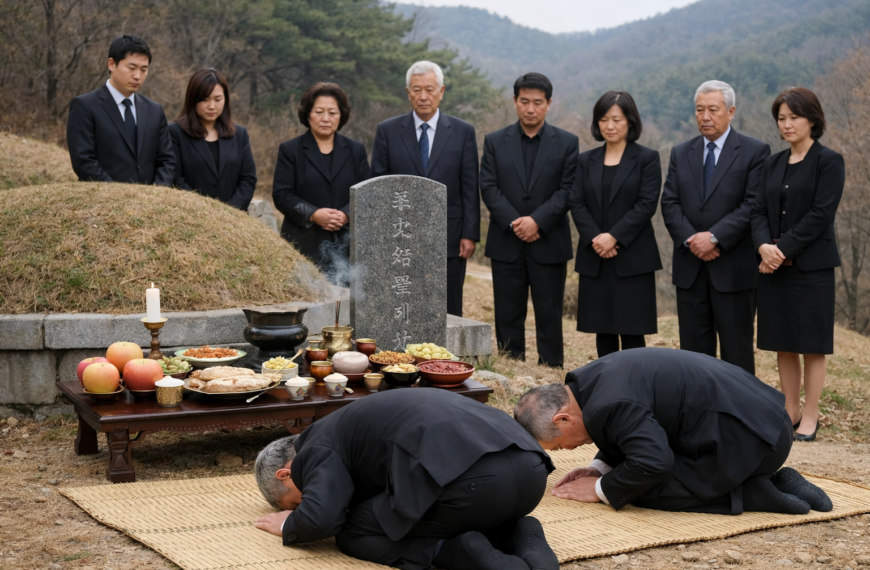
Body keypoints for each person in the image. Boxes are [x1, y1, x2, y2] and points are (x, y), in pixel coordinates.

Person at [253, 388, 558, 570]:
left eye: (298, 501)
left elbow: (322, 518)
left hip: (474, 486)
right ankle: (519, 531)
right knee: (398, 507)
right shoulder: (352, 420)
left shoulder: (316, 446)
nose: (305, 503)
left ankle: (453, 551)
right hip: (532, 471)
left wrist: (291, 524)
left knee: (350, 532)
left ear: (286, 473)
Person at [514, 348, 834, 516]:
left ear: (562, 420)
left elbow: (654, 463)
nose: (566, 452)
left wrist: (601, 489)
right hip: (759, 420)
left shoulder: (608, 405)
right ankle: (755, 480)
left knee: (640, 485)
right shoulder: (587, 383)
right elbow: (627, 431)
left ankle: (753, 493)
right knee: (628, 473)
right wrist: (599, 467)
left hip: (758, 439)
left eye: (557, 446)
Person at [751, 88, 845, 442]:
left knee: (812, 343)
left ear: (813, 120)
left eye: (794, 117)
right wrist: (763, 246)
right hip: (773, 268)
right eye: (781, 118)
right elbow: (758, 209)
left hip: (811, 268)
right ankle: (789, 409)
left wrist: (782, 249)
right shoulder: (771, 163)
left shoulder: (829, 161)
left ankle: (810, 414)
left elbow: (821, 214)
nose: (787, 124)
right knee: (783, 341)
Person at [660, 80, 771, 374]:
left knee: (737, 351)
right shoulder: (681, 152)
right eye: (699, 110)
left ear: (730, 111)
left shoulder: (754, 151)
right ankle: (698, 415)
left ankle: (740, 414)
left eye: (713, 109)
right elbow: (669, 203)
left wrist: (715, 238)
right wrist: (692, 240)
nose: (705, 116)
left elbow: (753, 204)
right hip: (690, 268)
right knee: (693, 354)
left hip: (734, 268)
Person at [480, 73, 578, 368]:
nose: (530, 109)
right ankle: (511, 364)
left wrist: (537, 221)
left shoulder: (566, 142)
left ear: (549, 103)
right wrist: (514, 222)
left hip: (549, 240)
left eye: (538, 102)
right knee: (507, 310)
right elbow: (489, 187)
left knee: (549, 311)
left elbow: (569, 189)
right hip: (506, 240)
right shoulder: (496, 141)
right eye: (524, 102)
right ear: (514, 102)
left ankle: (551, 367)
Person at [371, 61, 480, 317]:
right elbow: (379, 184)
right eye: (417, 89)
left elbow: (469, 185)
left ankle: (445, 356)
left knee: (448, 304)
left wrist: (469, 233)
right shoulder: (387, 131)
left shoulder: (463, 131)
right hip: (401, 235)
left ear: (441, 91)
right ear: (408, 92)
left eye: (430, 90)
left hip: (449, 234)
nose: (423, 96)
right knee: (403, 301)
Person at [570, 91, 662, 358]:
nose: (610, 126)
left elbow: (646, 204)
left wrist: (615, 237)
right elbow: (576, 203)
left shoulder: (647, 158)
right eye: (603, 119)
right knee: (603, 330)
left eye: (617, 119)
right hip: (596, 257)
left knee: (633, 331)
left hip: (633, 258)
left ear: (630, 122)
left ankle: (636, 389)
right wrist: (596, 238)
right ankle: (606, 388)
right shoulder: (585, 160)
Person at [272, 82, 371, 285]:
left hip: (347, 245)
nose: (326, 118)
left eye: (332, 112)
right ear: (307, 114)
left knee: (344, 309)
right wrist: (313, 214)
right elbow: (282, 194)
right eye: (319, 112)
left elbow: (367, 193)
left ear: (341, 116)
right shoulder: (291, 150)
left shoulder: (355, 150)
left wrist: (346, 214)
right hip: (303, 244)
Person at [67, 35, 174, 185]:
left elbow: (166, 160)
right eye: (131, 68)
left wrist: (155, 196)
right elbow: (84, 161)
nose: (138, 76)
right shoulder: (85, 106)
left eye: (144, 69)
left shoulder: (155, 110)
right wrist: (119, 197)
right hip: (104, 202)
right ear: (111, 64)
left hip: (150, 204)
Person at [168, 69, 257, 210]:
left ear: (225, 99)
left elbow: (248, 179)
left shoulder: (239, 134)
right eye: (204, 100)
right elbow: (175, 178)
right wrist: (206, 212)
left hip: (234, 222)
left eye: (217, 99)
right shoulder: (175, 132)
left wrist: (230, 212)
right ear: (193, 100)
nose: (212, 106)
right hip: (190, 217)